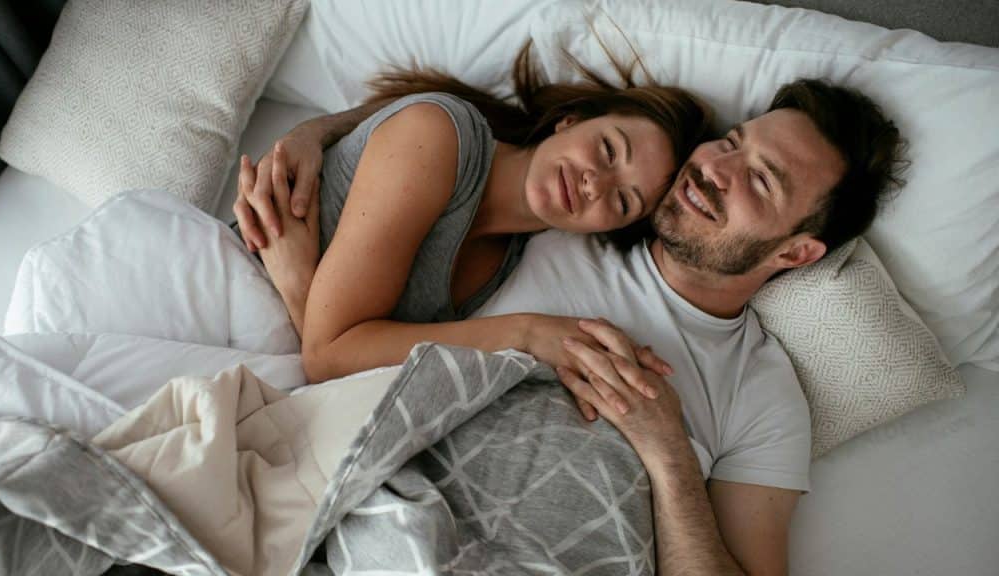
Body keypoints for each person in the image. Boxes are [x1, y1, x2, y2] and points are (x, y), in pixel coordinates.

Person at [238, 76, 904, 575]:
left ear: (795, 253)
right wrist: (314, 135)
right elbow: (442, 136)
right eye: (731, 143)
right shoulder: (565, 214)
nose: (714, 170)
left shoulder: (764, 394)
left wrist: (668, 454)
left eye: (759, 181)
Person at [235, 45, 711, 385]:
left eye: (624, 201)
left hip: (257, 353)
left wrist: (300, 285)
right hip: (218, 282)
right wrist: (524, 332)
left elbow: (343, 363)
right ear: (572, 119)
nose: (595, 183)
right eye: (608, 149)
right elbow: (327, 359)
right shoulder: (440, 134)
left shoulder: (504, 262)